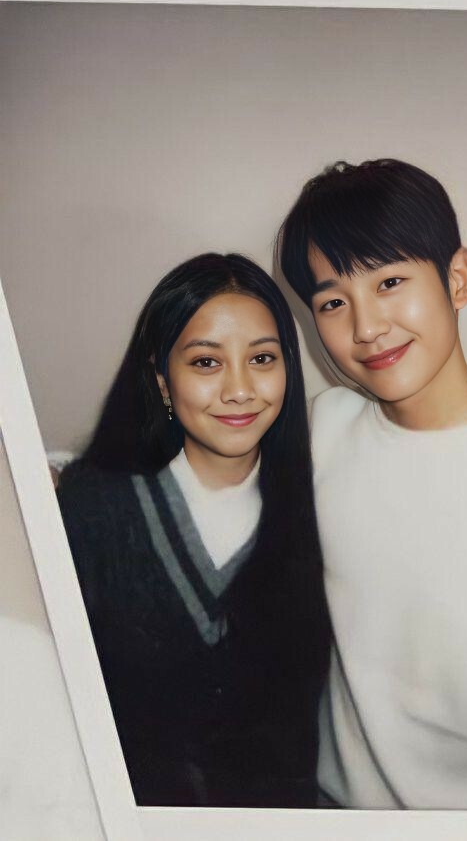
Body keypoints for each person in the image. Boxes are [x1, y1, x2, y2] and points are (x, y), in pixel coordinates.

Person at [277, 158, 467, 810]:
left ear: (457, 278)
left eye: (389, 282)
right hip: (341, 812)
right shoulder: (320, 432)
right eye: (332, 302)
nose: (366, 327)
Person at [56, 252, 331, 807]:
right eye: (206, 362)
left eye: (262, 358)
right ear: (162, 380)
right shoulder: (91, 510)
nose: (239, 389)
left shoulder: (324, 512)